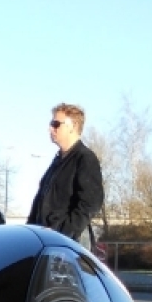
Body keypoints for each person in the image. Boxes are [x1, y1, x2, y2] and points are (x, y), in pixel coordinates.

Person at [27, 103, 104, 247]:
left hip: (68, 243)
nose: (50, 128)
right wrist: (30, 232)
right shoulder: (57, 161)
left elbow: (90, 203)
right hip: (46, 240)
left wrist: (63, 232)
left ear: (72, 127)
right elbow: (40, 202)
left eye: (55, 124)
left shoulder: (85, 158)